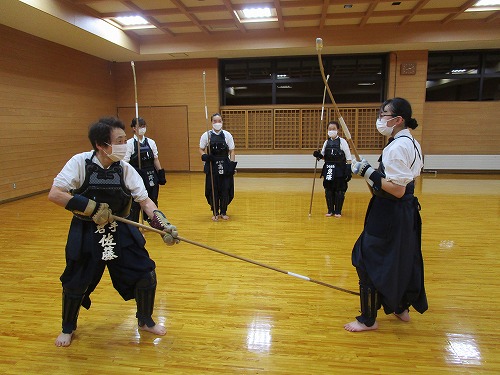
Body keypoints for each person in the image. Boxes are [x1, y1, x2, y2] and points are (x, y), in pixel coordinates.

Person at [48, 117, 179, 347]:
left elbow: (145, 201)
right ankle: (68, 327)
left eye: (124, 140)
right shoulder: (79, 162)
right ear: (101, 144)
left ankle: (145, 321)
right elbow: (56, 194)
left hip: (120, 230)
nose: (124, 144)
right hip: (86, 231)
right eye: (119, 140)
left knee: (146, 274)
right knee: (75, 281)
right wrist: (91, 208)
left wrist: (162, 223)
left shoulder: (125, 168)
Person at [344, 97, 428, 332]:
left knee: (366, 259)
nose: (380, 119)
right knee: (398, 259)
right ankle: (400, 306)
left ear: (398, 119)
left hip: (390, 211)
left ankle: (368, 319)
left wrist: (368, 170)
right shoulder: (411, 142)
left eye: (384, 114)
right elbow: (394, 182)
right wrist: (371, 175)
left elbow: (398, 190)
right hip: (403, 213)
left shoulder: (397, 146)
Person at [124, 117, 166, 222]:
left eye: (144, 126)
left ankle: (153, 220)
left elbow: (155, 159)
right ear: (134, 128)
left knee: (153, 198)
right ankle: (136, 223)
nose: (142, 129)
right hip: (137, 174)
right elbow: (125, 162)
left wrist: (160, 173)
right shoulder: (129, 144)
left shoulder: (151, 142)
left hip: (151, 174)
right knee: (136, 202)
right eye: (140, 126)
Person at [199, 113, 237, 221]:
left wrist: (232, 165)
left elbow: (232, 150)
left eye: (219, 121)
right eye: (214, 121)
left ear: (222, 122)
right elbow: (201, 149)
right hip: (212, 165)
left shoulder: (227, 135)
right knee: (213, 189)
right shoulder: (206, 135)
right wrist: (205, 156)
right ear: (211, 122)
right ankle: (215, 212)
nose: (217, 123)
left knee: (225, 188)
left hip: (224, 164)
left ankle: (224, 211)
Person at [313, 121, 352, 217]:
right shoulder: (326, 142)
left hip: (339, 169)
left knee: (339, 190)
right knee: (329, 190)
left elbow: (348, 157)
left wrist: (348, 169)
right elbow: (323, 156)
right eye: (330, 129)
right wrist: (318, 155)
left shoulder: (342, 141)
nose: (331, 131)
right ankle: (330, 210)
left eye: (333, 129)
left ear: (338, 130)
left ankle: (338, 210)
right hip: (329, 168)